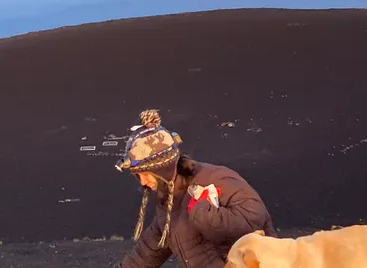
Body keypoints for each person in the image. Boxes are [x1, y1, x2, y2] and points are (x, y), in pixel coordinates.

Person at [116, 109, 276, 268]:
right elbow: (150, 249)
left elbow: (255, 220)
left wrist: (206, 216)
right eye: (137, 176)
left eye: (145, 174)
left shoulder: (215, 178)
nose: (142, 182)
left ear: (162, 169)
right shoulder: (169, 199)